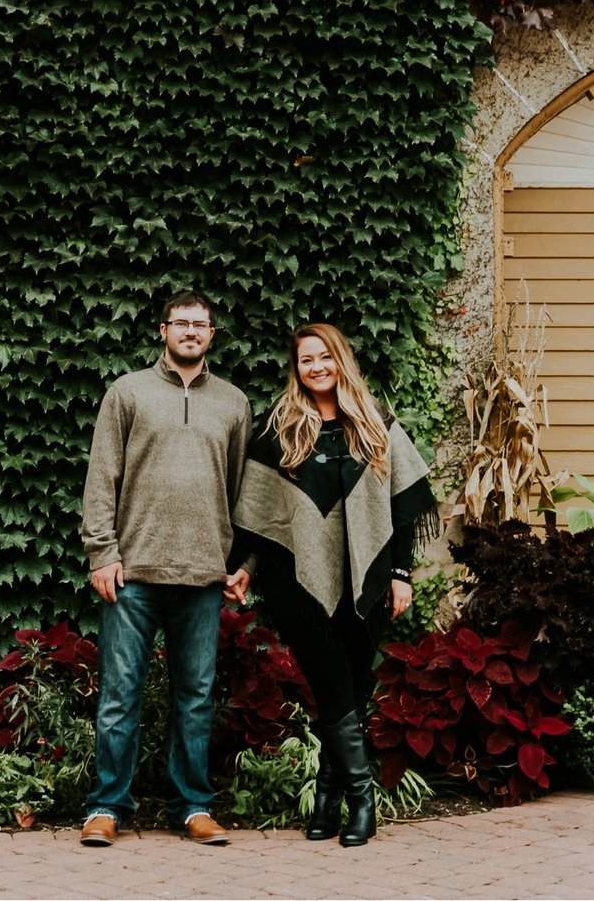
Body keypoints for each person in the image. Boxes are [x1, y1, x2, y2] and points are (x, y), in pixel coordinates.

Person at [226, 323, 433, 848]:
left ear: (340, 359)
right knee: (334, 685)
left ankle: (327, 797)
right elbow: (264, 519)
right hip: (297, 583)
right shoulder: (281, 428)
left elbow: (403, 508)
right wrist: (247, 566)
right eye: (305, 360)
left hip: (368, 581)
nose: (316, 367)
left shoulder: (377, 425)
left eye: (324, 357)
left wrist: (401, 572)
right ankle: (362, 800)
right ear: (296, 369)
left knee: (348, 688)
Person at [76, 289, 251, 848]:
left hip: (203, 575)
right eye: (182, 323)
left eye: (201, 324)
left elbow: (244, 492)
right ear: (163, 330)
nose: (191, 332)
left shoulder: (233, 403)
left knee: (195, 698)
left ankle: (193, 805)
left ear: (212, 335)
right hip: (134, 574)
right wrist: (102, 553)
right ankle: (107, 805)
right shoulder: (127, 393)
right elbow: (101, 477)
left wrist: (242, 563)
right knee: (120, 693)